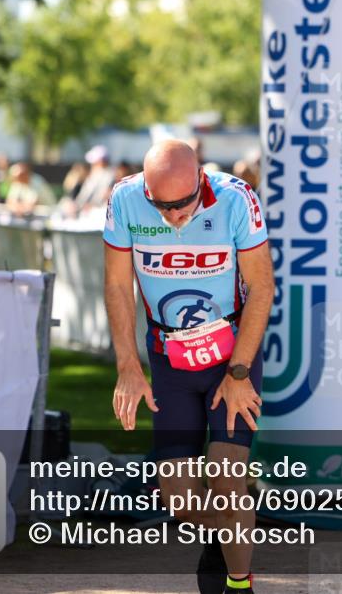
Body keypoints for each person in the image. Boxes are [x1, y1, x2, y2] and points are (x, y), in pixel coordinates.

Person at [104, 140, 273, 594]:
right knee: (178, 501)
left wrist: (238, 373)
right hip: (170, 360)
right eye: (161, 206)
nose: (173, 217)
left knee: (227, 477)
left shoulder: (236, 197)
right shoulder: (124, 198)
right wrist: (128, 367)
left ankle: (240, 584)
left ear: (200, 180)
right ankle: (227, 529)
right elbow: (118, 286)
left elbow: (262, 287)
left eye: (182, 205)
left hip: (233, 353)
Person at [75, 145, 116, 213]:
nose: (92, 164)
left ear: (101, 161)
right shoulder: (97, 175)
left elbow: (101, 197)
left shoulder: (109, 176)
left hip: (97, 213)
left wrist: (87, 206)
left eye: (94, 162)